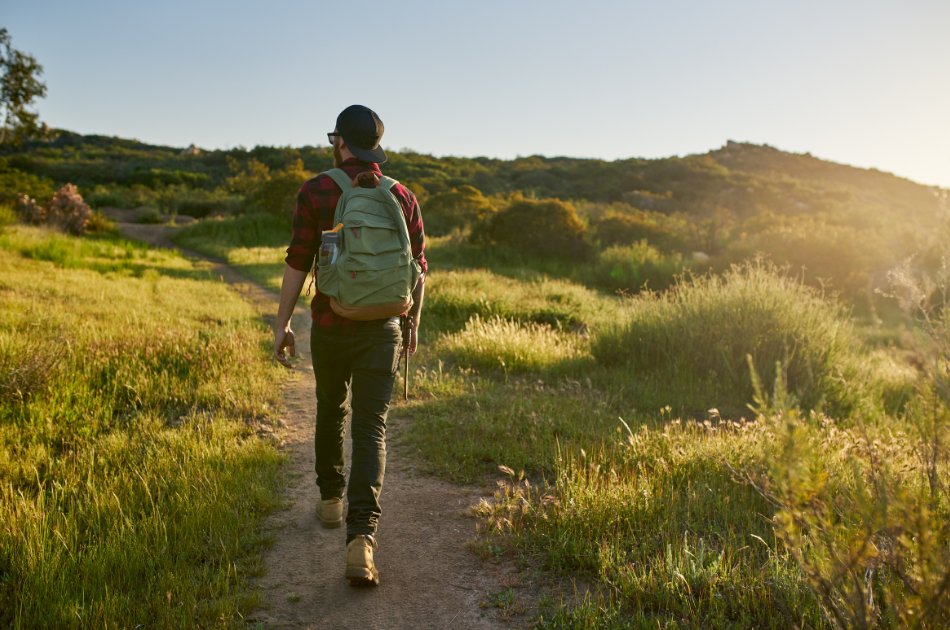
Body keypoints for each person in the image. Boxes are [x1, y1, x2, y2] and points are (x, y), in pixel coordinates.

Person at [273, 104, 426, 586]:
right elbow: (418, 266)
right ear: (375, 147)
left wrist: (282, 326)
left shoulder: (316, 190)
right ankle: (362, 540)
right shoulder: (401, 195)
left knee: (330, 409)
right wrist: (413, 322)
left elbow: (299, 259)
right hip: (385, 328)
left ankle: (330, 502)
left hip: (331, 323)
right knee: (371, 429)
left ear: (340, 142)